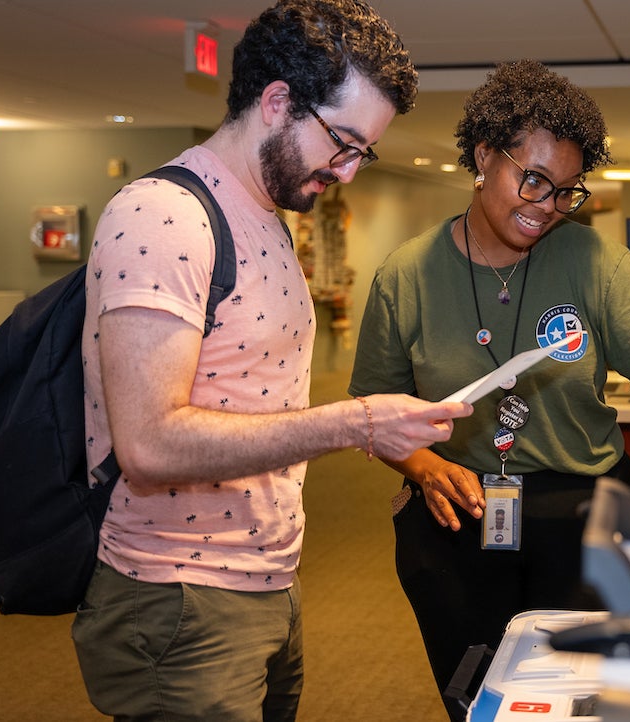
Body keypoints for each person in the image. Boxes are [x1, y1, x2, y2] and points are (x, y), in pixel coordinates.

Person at [71, 2, 472, 720]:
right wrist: (357, 423)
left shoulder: (267, 217)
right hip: (179, 598)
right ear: (277, 101)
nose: (348, 173)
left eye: (363, 153)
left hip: (264, 580)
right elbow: (149, 443)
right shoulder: (164, 216)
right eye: (342, 143)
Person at [348, 59, 630, 712]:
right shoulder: (405, 277)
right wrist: (427, 468)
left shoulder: (591, 260)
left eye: (567, 191)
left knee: (582, 702)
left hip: (580, 512)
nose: (548, 208)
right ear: (485, 157)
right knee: (478, 699)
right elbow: (370, 413)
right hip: (455, 510)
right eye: (535, 181)